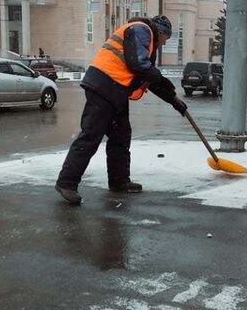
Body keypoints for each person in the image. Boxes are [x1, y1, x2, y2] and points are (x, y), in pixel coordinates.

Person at [55, 15, 187, 205]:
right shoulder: (141, 30)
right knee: (91, 135)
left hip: (115, 89)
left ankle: (119, 181)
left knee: (121, 135)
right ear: (161, 32)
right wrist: (163, 82)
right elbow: (139, 65)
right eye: (165, 39)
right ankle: (66, 182)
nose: (163, 44)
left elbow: (148, 78)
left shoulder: (145, 40)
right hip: (104, 85)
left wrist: (174, 100)